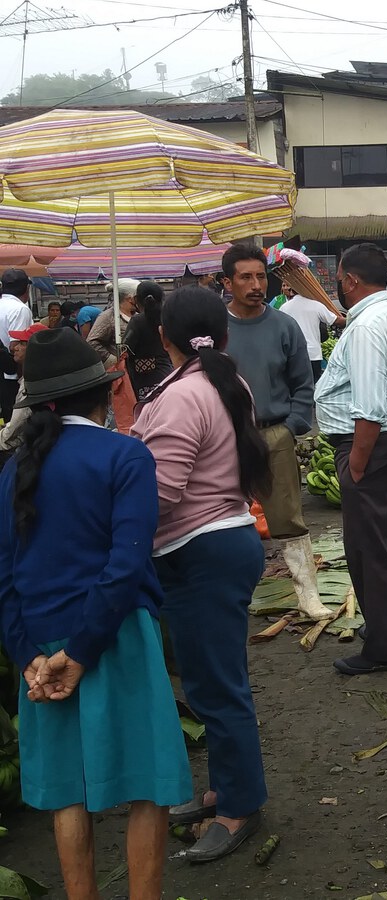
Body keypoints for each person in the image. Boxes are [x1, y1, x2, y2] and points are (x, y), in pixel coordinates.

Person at [0, 328, 191, 900]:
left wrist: (30, 656)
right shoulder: (124, 454)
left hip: (40, 645)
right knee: (148, 783)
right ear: (103, 396)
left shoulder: (13, 472)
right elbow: (126, 564)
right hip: (116, 639)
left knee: (67, 790)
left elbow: (5, 578)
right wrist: (81, 653)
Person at [132, 286, 271, 862]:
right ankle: (223, 791)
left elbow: (160, 494)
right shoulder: (223, 381)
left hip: (201, 552)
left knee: (217, 690)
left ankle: (239, 809)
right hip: (221, 541)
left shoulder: (182, 396)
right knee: (213, 684)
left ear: (162, 337)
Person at [315, 243, 387, 675]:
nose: (339, 286)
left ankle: (385, 647)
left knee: (367, 547)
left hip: (368, 442)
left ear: (351, 280)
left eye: (340, 279)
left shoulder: (365, 328)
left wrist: (357, 461)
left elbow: (369, 406)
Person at [221, 243, 329, 621]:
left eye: (260, 276)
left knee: (288, 517)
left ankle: (308, 596)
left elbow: (303, 383)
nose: (255, 284)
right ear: (227, 282)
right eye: (245, 277)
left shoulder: (285, 325)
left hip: (275, 434)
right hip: (225, 438)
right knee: (225, 516)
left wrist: (293, 426)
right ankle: (235, 596)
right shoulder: (215, 330)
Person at [278, 283, 345, 384]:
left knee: (295, 387)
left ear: (293, 290)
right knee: (313, 386)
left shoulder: (284, 308)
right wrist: (353, 318)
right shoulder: (316, 305)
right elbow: (336, 321)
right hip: (313, 355)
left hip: (292, 355)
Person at [0, 324, 48, 458]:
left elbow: (14, 432)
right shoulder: (43, 374)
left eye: (22, 344)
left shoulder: (31, 382)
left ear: (36, 349)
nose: (15, 348)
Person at [124, 282, 172, 402]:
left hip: (141, 377)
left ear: (135, 299)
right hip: (167, 371)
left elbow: (126, 349)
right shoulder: (168, 317)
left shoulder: (136, 321)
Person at [0, 269, 33, 422]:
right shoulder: (20, 309)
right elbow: (17, 347)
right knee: (15, 415)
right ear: (26, 288)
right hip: (11, 373)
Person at [86, 278, 140, 369]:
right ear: (130, 298)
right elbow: (92, 342)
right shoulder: (108, 316)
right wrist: (113, 360)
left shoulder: (138, 314)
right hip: (121, 370)